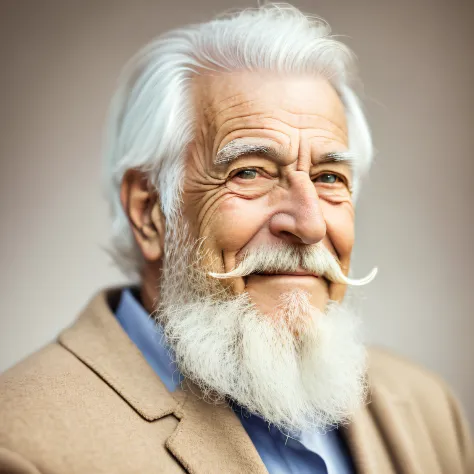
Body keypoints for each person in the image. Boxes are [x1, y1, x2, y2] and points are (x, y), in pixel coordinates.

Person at [0, 4, 472, 473]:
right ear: (149, 213)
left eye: (329, 177)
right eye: (250, 172)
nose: (309, 225)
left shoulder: (430, 411)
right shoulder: (23, 443)